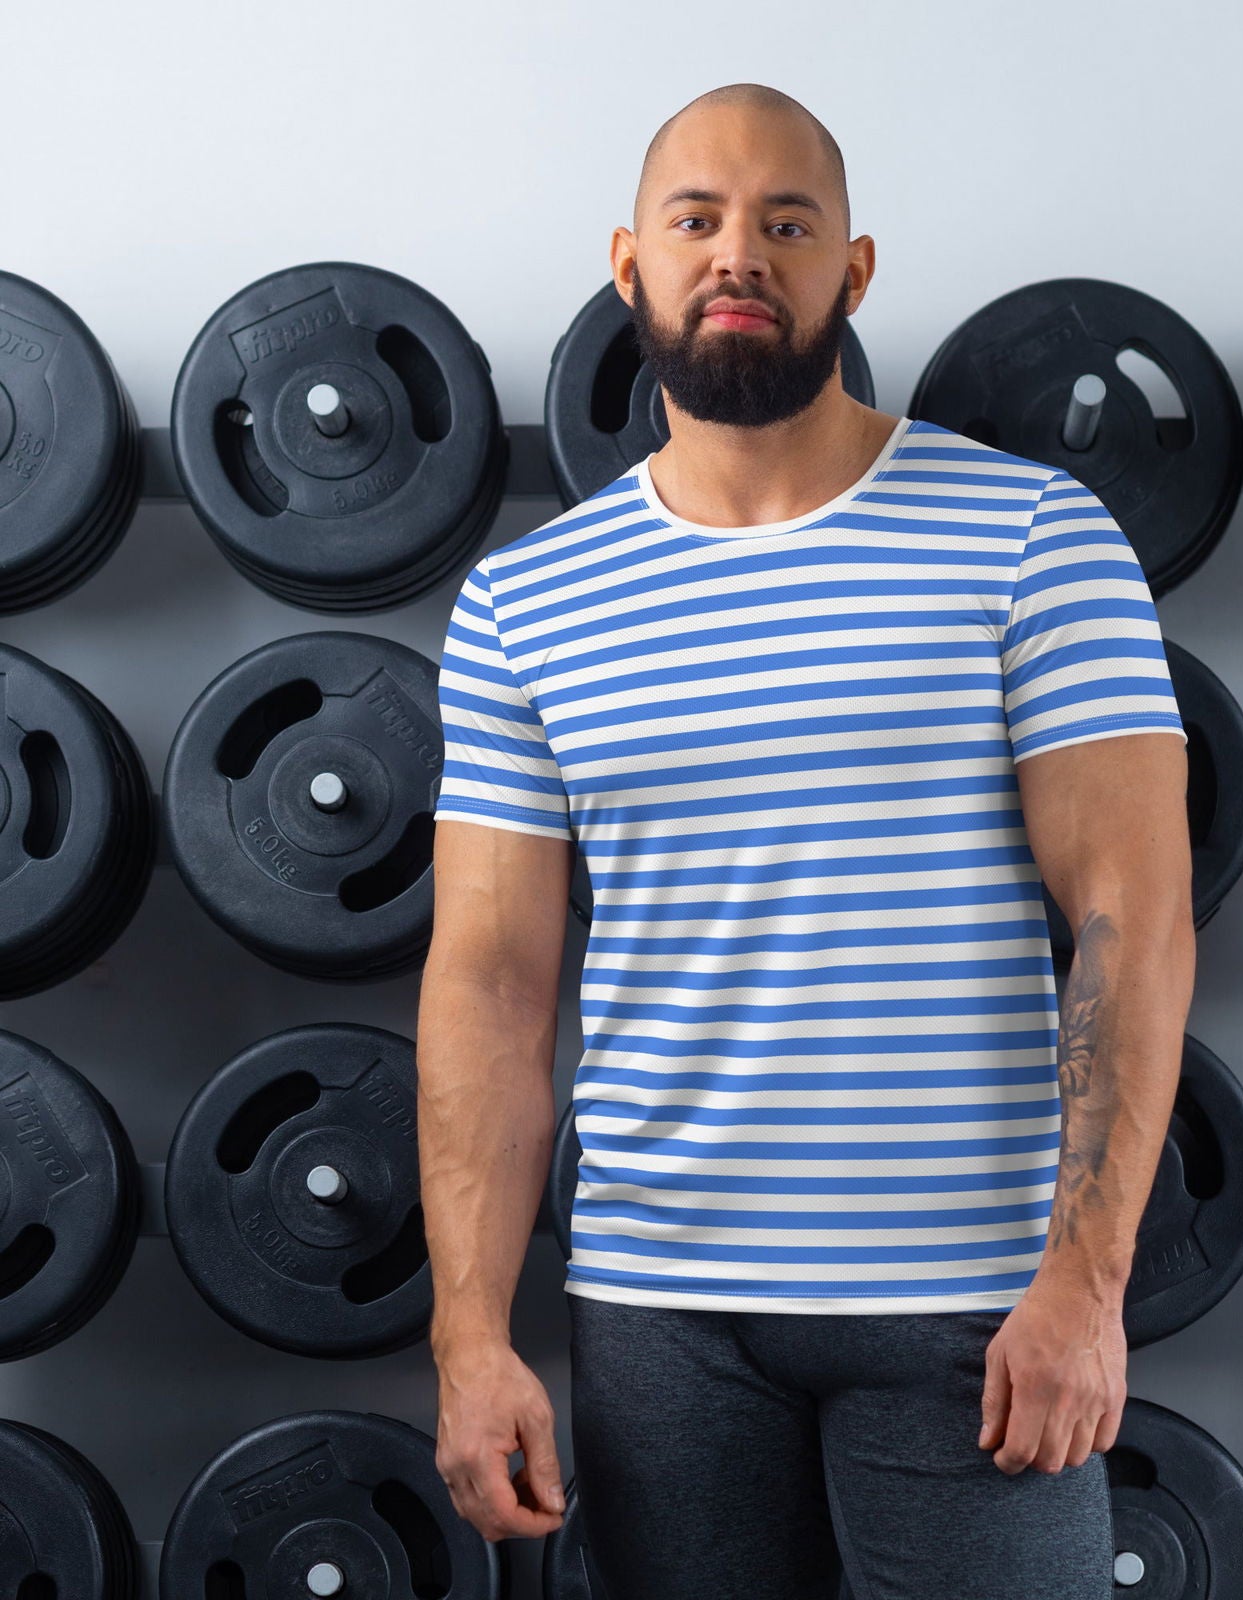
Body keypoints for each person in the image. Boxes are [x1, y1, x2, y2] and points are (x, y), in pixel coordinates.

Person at [420, 81, 1194, 1600]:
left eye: (788, 222)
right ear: (628, 264)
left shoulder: (1029, 536)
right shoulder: (529, 605)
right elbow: (494, 985)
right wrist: (470, 1332)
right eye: (697, 220)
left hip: (975, 1313)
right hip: (659, 1318)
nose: (740, 255)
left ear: (856, 268)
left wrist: (1086, 1285)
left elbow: (1133, 914)